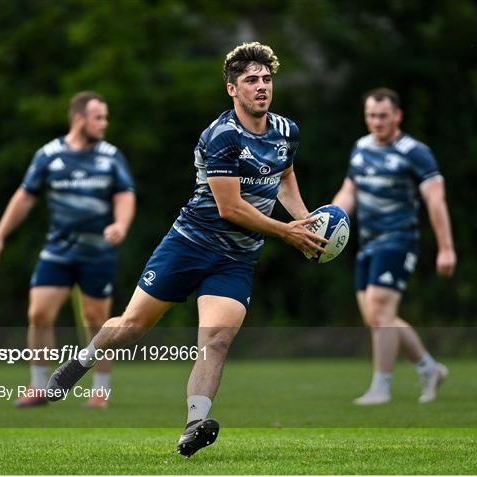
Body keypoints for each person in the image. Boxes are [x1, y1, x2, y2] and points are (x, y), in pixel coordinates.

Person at [46, 42, 327, 457]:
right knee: (132, 327)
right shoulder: (222, 137)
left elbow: (284, 177)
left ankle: (194, 424)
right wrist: (288, 232)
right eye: (251, 81)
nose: (262, 87)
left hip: (236, 259)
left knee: (215, 340)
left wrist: (305, 223)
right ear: (233, 90)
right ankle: (82, 361)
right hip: (188, 245)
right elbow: (230, 208)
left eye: (267, 79)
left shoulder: (287, 131)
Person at [0, 91, 136, 408]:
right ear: (79, 118)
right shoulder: (49, 155)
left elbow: (125, 196)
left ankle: (100, 392)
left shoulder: (110, 156)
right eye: (98, 117)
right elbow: (24, 197)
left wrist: (120, 225)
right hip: (58, 251)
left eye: (106, 117)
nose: (104, 124)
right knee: (38, 314)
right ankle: (38, 387)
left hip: (97, 252)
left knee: (96, 321)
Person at [333, 87, 456, 405]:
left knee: (382, 312)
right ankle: (429, 368)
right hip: (368, 242)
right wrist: (330, 222)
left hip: (399, 239)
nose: (377, 122)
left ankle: (380, 388)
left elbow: (435, 199)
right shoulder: (360, 148)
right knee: (375, 317)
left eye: (383, 116)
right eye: (371, 116)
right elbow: (349, 191)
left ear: (397, 116)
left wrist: (446, 247)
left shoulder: (415, 151)